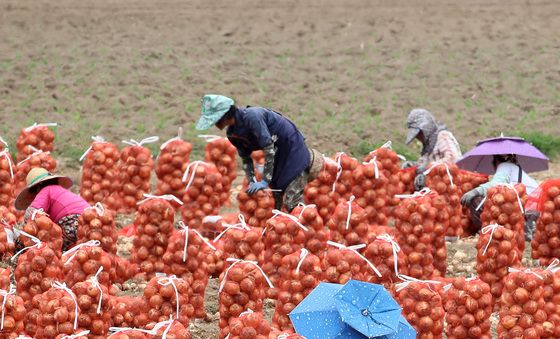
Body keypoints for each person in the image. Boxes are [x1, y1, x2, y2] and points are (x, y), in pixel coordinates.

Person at [195, 94, 322, 212]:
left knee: (292, 203)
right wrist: (251, 180)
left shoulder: (252, 116)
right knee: (276, 203)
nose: (214, 124)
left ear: (224, 115)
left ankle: (307, 230)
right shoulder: (232, 134)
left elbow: (268, 148)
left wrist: (264, 181)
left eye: (215, 119)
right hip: (277, 154)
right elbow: (246, 158)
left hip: (291, 147)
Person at [460, 154, 539, 239]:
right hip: (536, 207)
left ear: (496, 161)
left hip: (526, 207)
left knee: (476, 201)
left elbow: (494, 185)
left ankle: (488, 232)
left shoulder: (504, 166)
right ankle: (525, 227)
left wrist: (475, 191)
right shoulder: (516, 169)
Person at [14, 167, 90, 251]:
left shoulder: (45, 190)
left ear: (37, 187)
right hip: (88, 221)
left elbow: (33, 212)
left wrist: (24, 232)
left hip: (71, 222)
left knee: (51, 248)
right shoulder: (60, 190)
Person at [402, 108, 462, 190]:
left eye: (419, 133)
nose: (418, 137)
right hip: (435, 189)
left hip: (450, 186)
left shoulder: (443, 136)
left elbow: (453, 159)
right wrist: (412, 166)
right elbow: (422, 165)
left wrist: (428, 168)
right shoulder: (427, 147)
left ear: (426, 127)